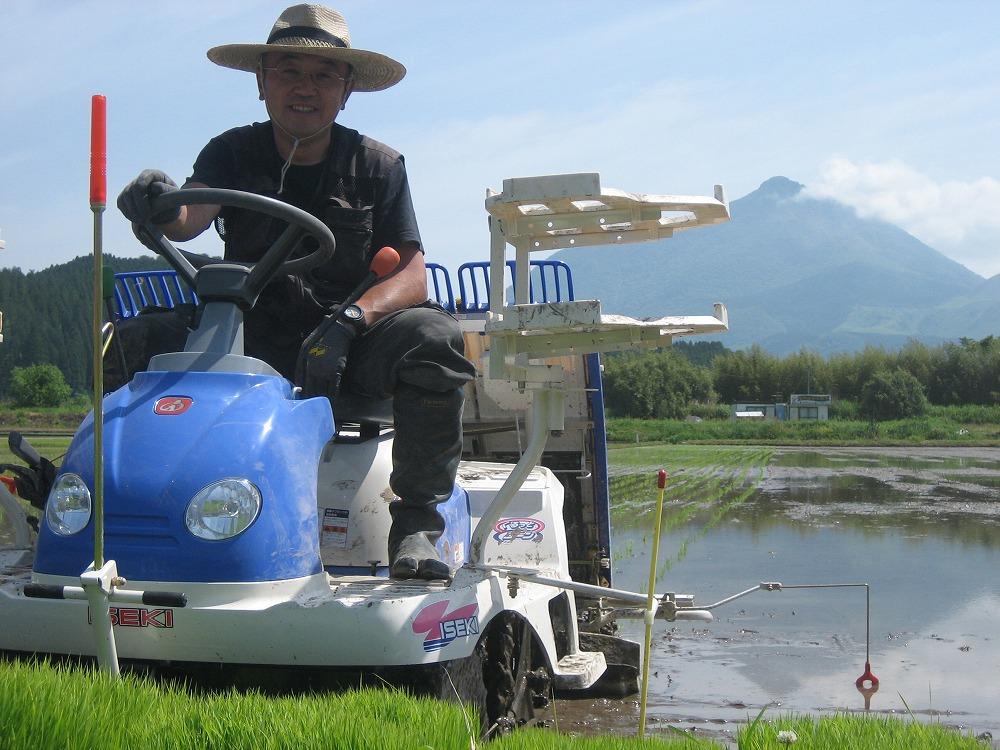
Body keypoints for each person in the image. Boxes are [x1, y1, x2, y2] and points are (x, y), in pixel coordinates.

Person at [115, 4, 476, 581]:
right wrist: (157, 198)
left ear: (347, 88)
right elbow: (188, 216)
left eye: (323, 74)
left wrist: (353, 319)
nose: (304, 87)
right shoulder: (230, 152)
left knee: (433, 338)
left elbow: (411, 274)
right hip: (244, 342)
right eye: (288, 70)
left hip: (345, 349)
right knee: (133, 341)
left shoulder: (377, 165)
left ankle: (415, 526)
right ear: (262, 83)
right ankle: (110, 508)